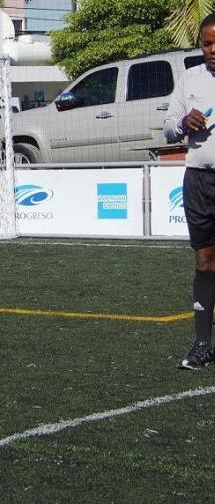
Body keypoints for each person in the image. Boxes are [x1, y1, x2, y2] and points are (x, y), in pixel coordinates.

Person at [166, 13, 215, 369]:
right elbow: (168, 127)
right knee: (204, 260)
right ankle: (202, 343)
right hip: (198, 180)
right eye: (207, 43)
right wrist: (183, 123)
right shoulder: (190, 78)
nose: (212, 49)